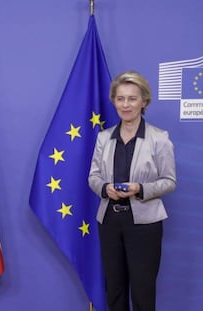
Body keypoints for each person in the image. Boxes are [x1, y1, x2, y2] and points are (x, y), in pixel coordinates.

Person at [88, 70, 176, 311]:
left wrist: (141, 189)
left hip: (145, 225)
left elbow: (169, 181)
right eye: (120, 98)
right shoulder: (104, 138)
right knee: (114, 289)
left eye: (132, 98)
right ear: (114, 101)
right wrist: (106, 189)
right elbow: (93, 177)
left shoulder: (159, 138)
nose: (125, 104)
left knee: (142, 291)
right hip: (109, 222)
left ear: (144, 101)